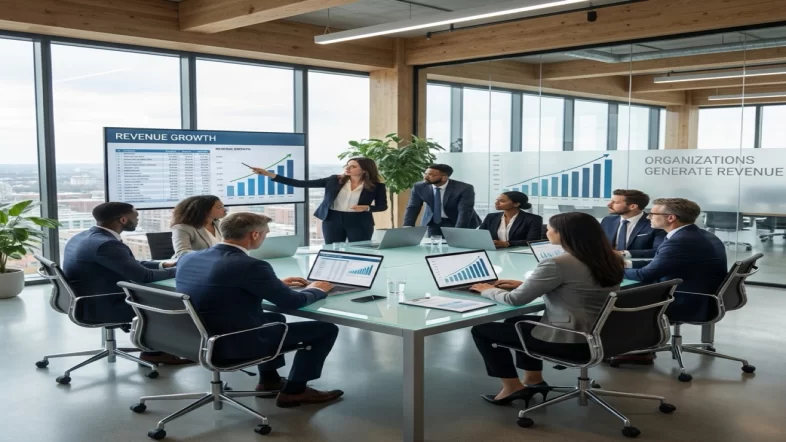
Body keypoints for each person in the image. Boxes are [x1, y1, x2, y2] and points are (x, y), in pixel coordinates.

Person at [176, 212, 344, 408]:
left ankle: (268, 380)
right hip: (230, 342)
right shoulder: (251, 265)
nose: (265, 237)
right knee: (326, 329)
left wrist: (273, 284)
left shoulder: (190, 258)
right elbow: (291, 302)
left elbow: (219, 282)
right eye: (266, 233)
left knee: (275, 317)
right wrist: (316, 289)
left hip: (196, 336)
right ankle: (295, 391)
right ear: (254, 235)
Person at [468, 212, 623, 406]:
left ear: (563, 234)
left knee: (482, 330)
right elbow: (578, 287)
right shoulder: (611, 258)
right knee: (515, 322)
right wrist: (527, 284)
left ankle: (511, 387)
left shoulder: (557, 263)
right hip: (604, 335)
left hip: (571, 339)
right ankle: (534, 380)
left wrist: (487, 290)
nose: (546, 231)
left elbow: (514, 300)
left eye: (549, 228)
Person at [62, 202, 191, 365]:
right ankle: (154, 353)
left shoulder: (86, 236)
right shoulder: (107, 244)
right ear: (123, 220)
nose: (137, 220)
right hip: (102, 304)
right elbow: (143, 277)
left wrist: (163, 265)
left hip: (85, 299)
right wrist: (183, 269)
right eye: (135, 216)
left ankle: (152, 348)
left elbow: (127, 264)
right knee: (170, 303)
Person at [613, 198, 728, 366]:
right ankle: (642, 347)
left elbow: (646, 275)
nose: (648, 217)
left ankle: (639, 352)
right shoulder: (694, 234)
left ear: (671, 218)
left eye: (653, 213)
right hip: (703, 295)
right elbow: (663, 262)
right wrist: (628, 264)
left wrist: (611, 269)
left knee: (619, 300)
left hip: (687, 300)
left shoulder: (680, 241)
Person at [252, 157, 386, 244]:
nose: (348, 168)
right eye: (348, 165)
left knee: (361, 251)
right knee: (332, 251)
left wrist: (367, 208)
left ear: (364, 170)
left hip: (360, 221)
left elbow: (382, 206)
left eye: (353, 166)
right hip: (332, 219)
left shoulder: (377, 186)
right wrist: (268, 174)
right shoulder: (334, 180)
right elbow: (300, 183)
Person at [402, 164, 481, 237]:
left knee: (457, 247)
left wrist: (459, 231)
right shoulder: (419, 187)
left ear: (444, 177)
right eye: (425, 174)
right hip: (434, 222)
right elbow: (413, 207)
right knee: (433, 247)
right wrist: (408, 226)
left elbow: (464, 211)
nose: (425, 177)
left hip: (457, 221)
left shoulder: (464, 188)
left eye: (430, 175)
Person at [601, 189, 665, 259]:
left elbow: (658, 251)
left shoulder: (655, 223)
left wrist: (622, 254)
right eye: (610, 201)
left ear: (633, 206)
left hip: (637, 266)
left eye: (615, 203)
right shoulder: (608, 220)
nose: (609, 204)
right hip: (607, 265)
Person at [479, 191, 543, 248]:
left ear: (516, 204)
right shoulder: (491, 217)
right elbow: (480, 235)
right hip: (495, 252)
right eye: (497, 200)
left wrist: (508, 243)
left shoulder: (533, 219)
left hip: (519, 253)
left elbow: (533, 241)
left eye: (502, 201)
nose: (496, 203)